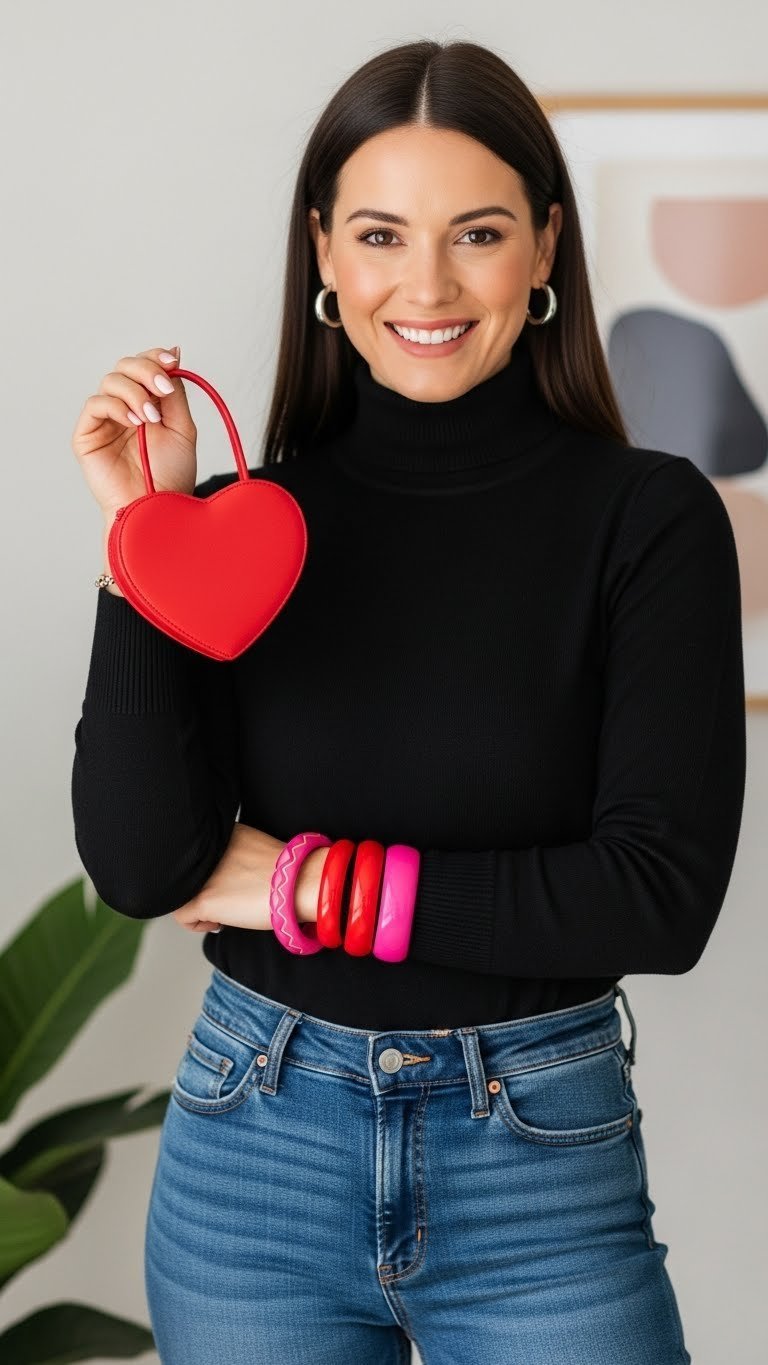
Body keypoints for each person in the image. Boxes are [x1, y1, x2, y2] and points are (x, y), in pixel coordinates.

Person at [69, 37, 745, 1365]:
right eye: (381, 234)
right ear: (323, 252)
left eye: (478, 233)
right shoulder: (240, 534)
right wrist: (148, 530)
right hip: (253, 1149)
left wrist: (310, 888)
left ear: (546, 247)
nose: (425, 285)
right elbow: (145, 864)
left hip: (539, 1158)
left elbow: (656, 896)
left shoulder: (648, 521)